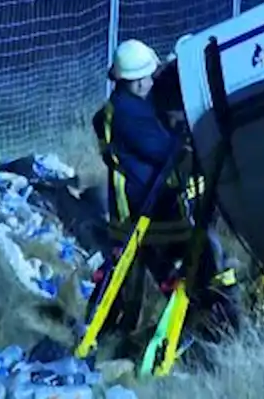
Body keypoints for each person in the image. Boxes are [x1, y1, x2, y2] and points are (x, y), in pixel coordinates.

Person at [91, 39, 233, 334]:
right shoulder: (129, 115)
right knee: (196, 255)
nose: (150, 83)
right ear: (135, 81)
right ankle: (205, 322)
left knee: (158, 268)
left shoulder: (120, 107)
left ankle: (189, 319)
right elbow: (166, 151)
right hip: (146, 207)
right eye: (146, 77)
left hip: (139, 205)